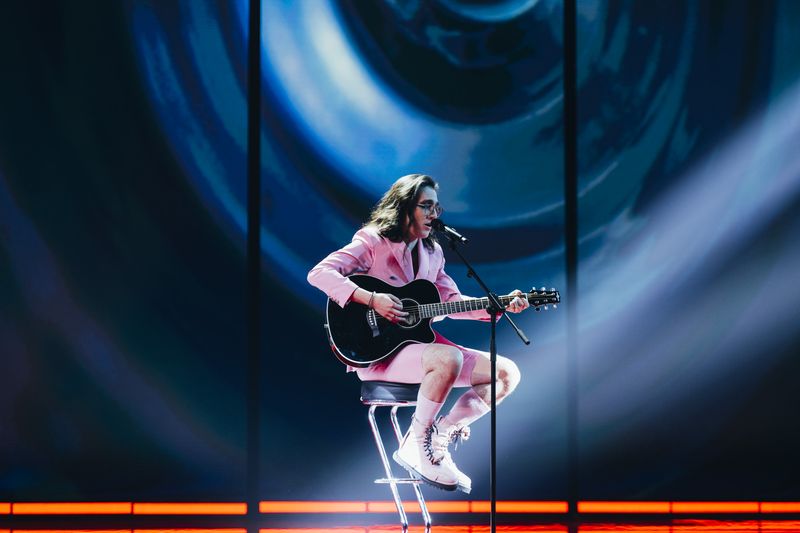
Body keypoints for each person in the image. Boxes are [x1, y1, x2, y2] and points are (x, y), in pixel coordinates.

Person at [307, 173, 529, 493]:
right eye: (426, 206)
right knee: (448, 357)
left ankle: (438, 436)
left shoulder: (433, 252)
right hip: (378, 352)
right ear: (405, 206)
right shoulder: (373, 241)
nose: (433, 215)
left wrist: (500, 305)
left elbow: (451, 302)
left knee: (507, 373)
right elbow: (320, 273)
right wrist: (371, 299)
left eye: (437, 208)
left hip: (420, 346)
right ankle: (416, 442)